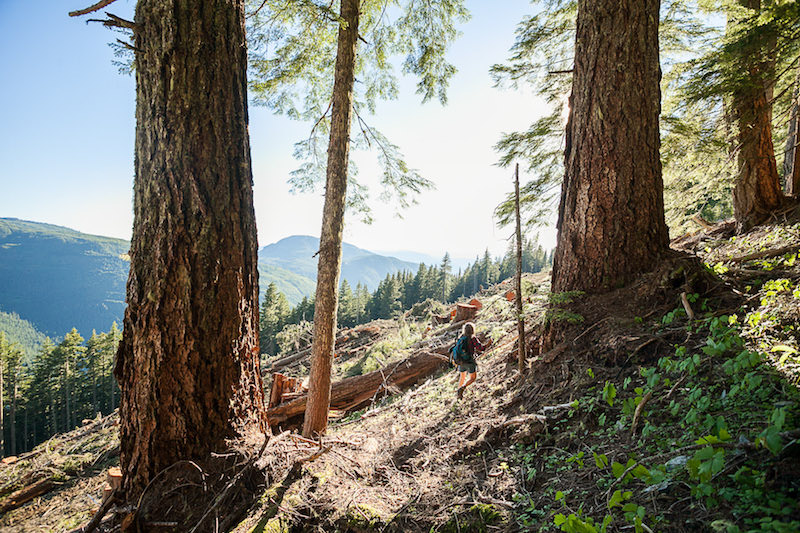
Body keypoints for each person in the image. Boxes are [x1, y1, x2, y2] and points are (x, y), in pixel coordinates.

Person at [455, 322, 489, 399]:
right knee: (473, 378)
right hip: (469, 361)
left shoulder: (460, 338)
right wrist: (488, 344)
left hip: (460, 361)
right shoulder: (472, 338)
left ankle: (458, 394)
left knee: (462, 377)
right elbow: (480, 348)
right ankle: (462, 388)